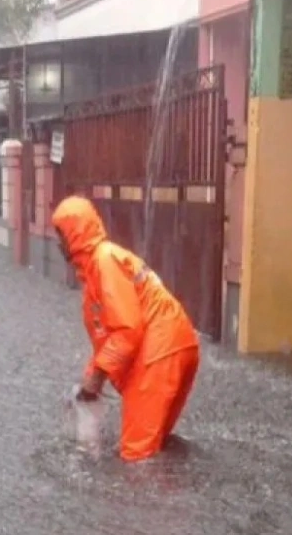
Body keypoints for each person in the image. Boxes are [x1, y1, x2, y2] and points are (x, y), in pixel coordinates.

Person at [52, 195, 199, 462]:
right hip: (176, 347)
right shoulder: (102, 265)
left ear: (74, 234)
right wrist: (89, 379)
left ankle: (144, 503)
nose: (58, 243)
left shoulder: (103, 262)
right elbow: (108, 336)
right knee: (154, 446)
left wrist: (96, 378)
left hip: (158, 355)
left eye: (60, 235)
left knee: (136, 456)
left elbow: (127, 330)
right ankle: (173, 497)